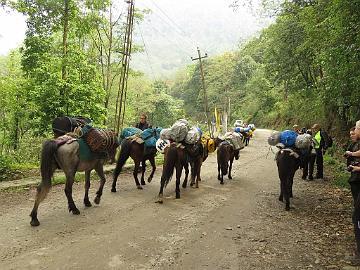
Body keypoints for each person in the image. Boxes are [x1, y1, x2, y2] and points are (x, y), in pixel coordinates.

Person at [345, 126, 360, 265]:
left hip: (358, 180)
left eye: (356, 129)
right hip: (355, 180)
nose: (353, 132)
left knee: (357, 216)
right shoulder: (354, 142)